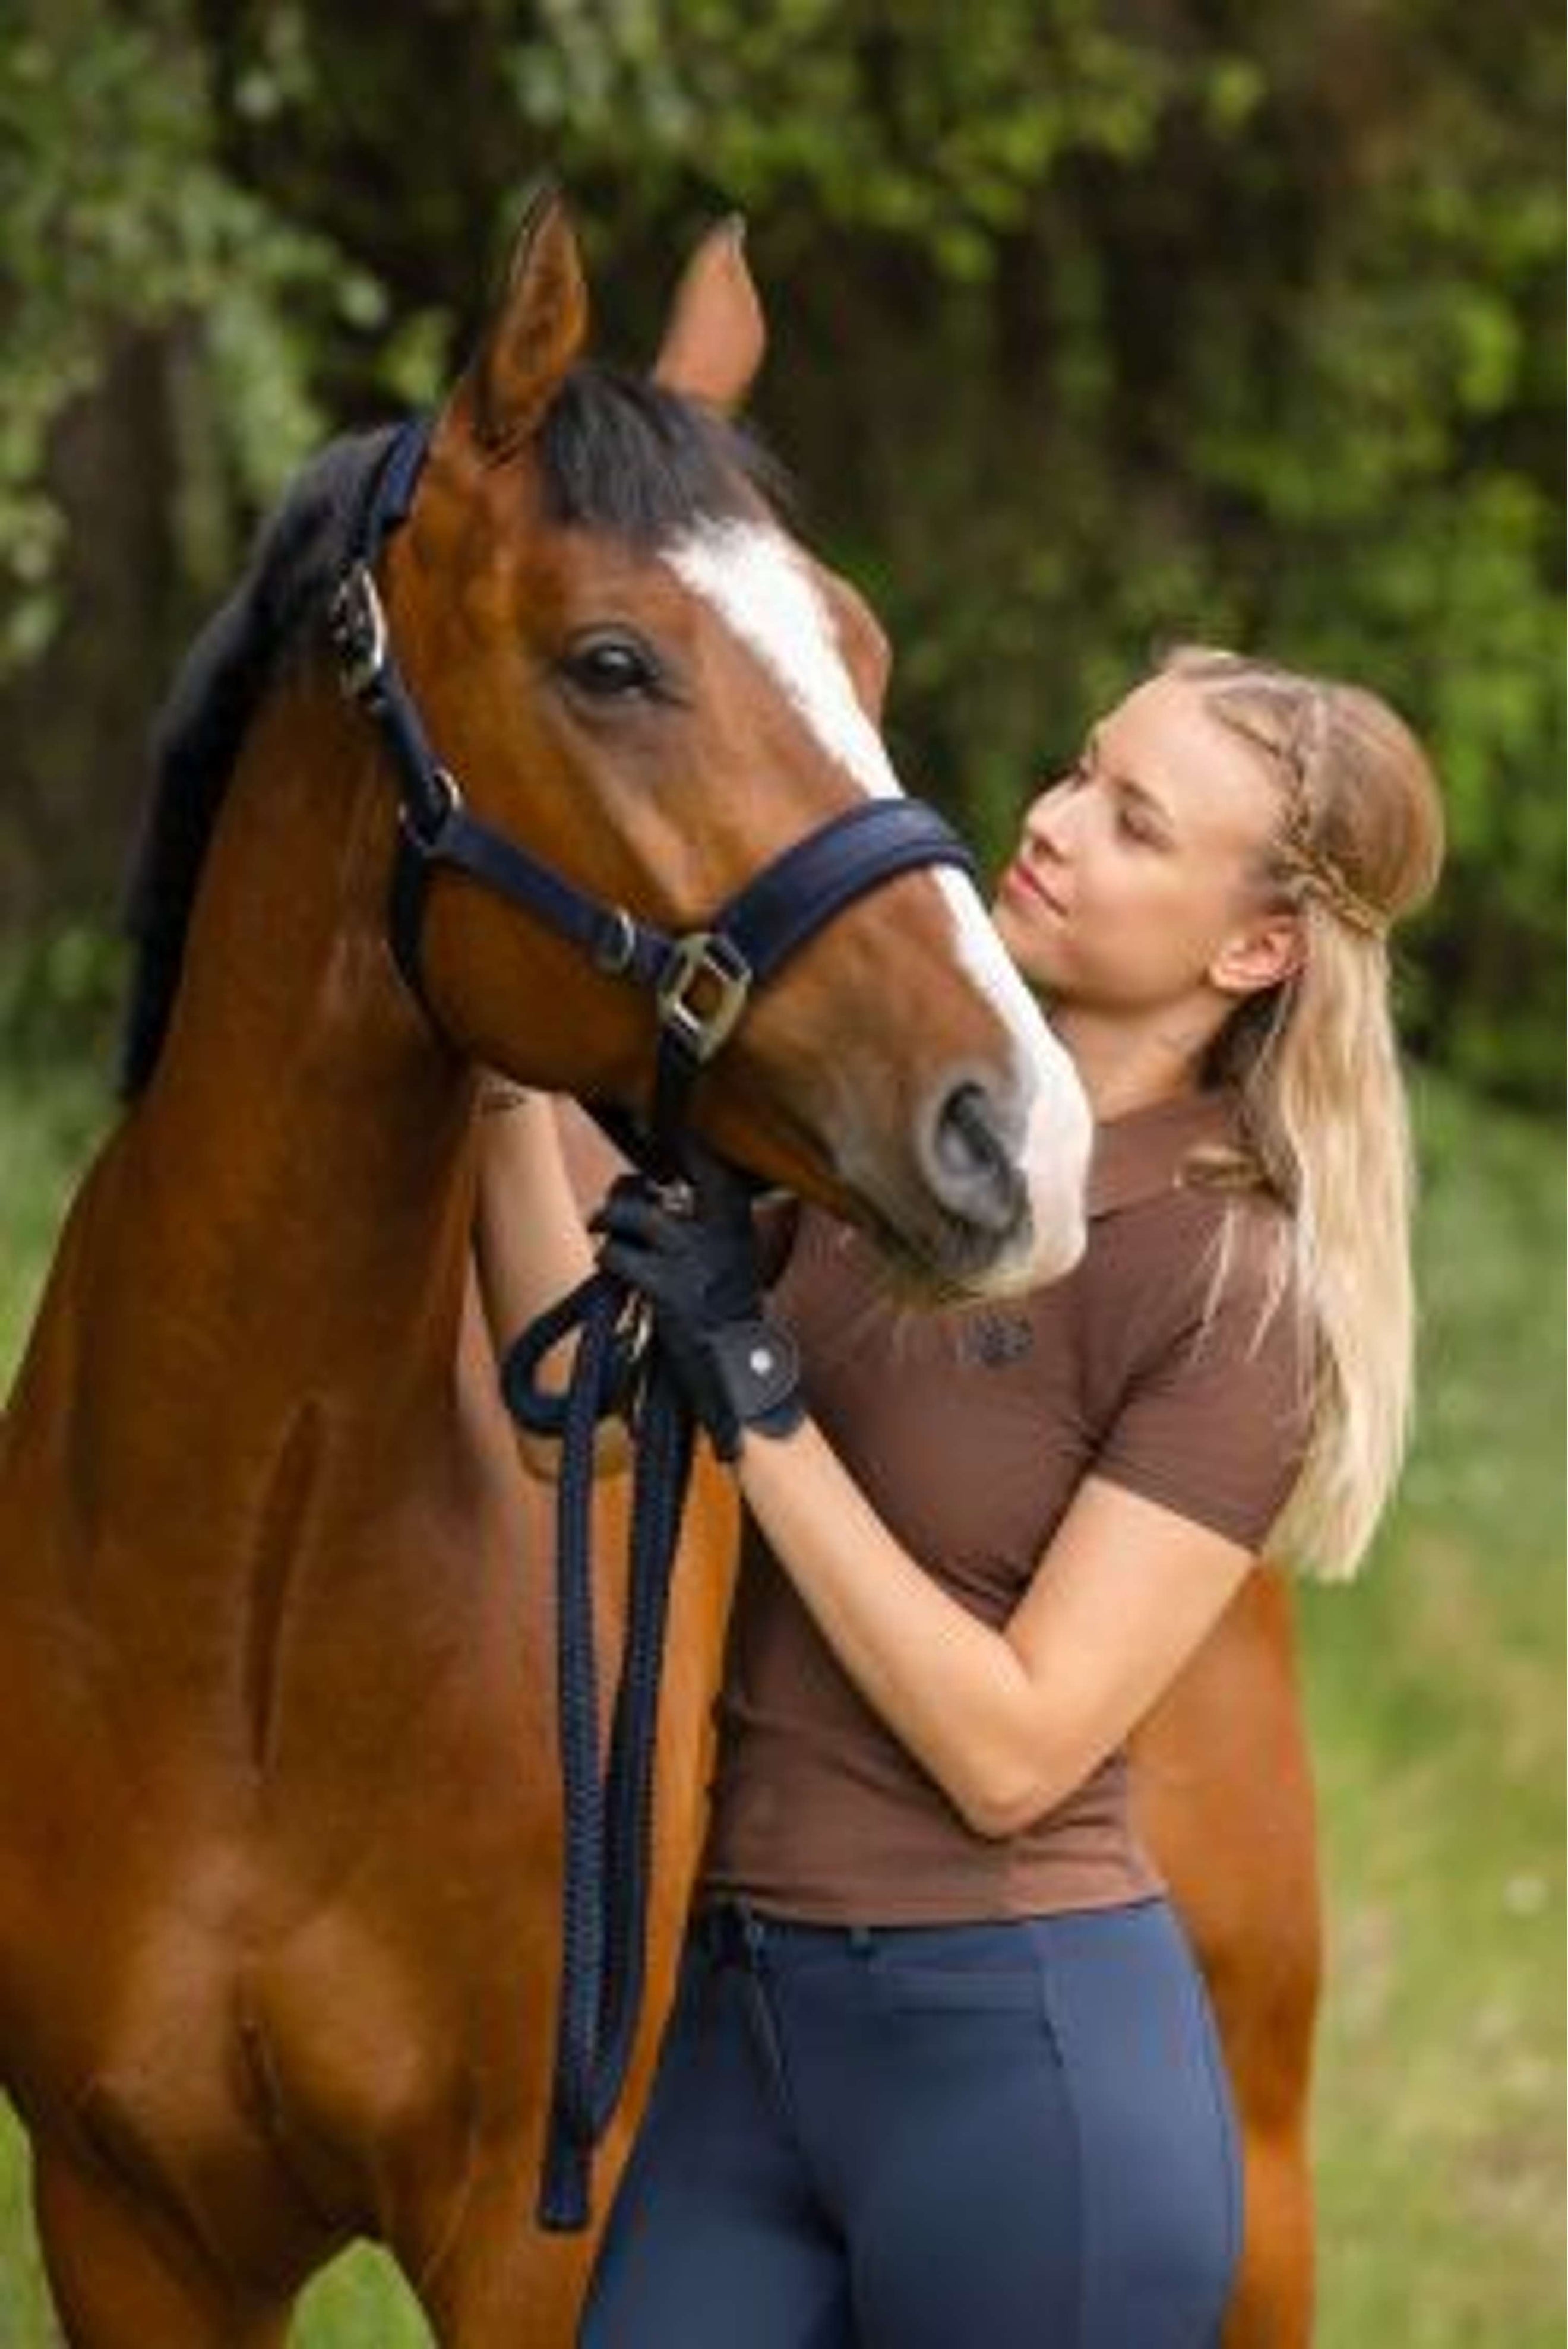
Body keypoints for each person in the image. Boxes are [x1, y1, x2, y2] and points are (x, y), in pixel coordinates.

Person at [474, 645, 1444, 2348]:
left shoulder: (1231, 1286)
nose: (1056, 824)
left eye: (1134, 822)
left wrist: (759, 1401)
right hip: (742, 2031)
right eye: (1078, 771)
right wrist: (494, 1085)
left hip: (1018, 2079)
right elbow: (583, 1430)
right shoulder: (911, 1158)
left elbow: (1014, 1746)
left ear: (1256, 949)